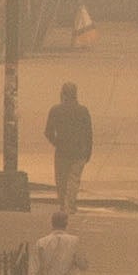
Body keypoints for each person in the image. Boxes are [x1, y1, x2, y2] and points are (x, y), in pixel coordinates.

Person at [40, 84, 92, 214]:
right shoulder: (83, 111)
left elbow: (48, 132)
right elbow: (88, 134)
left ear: (62, 94)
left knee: (61, 180)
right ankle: (71, 204)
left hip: (62, 151)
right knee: (74, 179)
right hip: (79, 151)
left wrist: (57, 143)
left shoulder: (56, 110)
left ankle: (63, 204)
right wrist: (88, 152)